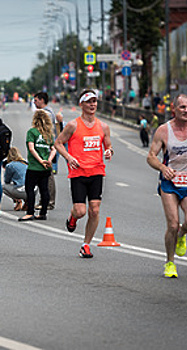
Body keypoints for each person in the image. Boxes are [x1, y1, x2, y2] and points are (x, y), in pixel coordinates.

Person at [147, 94, 187, 278]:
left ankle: (182, 234)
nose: (186, 111)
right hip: (169, 184)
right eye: (182, 107)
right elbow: (151, 156)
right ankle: (170, 263)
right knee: (172, 224)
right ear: (174, 109)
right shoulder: (163, 130)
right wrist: (162, 167)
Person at [54, 89, 114, 258]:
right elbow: (58, 143)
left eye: (94, 101)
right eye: (89, 102)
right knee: (80, 211)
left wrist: (109, 151)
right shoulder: (73, 125)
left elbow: (108, 146)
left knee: (94, 210)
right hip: (78, 172)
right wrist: (68, 157)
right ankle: (72, 218)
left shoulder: (103, 126)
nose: (92, 104)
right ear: (81, 104)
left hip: (96, 171)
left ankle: (86, 244)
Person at [19, 109, 56, 221]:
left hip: (34, 166)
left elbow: (31, 148)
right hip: (46, 168)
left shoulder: (32, 132)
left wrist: (40, 161)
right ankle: (43, 213)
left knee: (30, 189)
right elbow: (53, 149)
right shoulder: (48, 134)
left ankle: (30, 212)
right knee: (44, 190)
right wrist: (48, 160)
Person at [33, 91, 62, 211]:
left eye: (36, 100)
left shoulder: (45, 114)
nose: (34, 102)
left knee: (47, 175)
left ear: (41, 100)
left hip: (45, 147)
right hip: (48, 145)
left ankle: (48, 201)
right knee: (44, 175)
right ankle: (45, 200)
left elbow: (45, 131)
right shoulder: (50, 112)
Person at [3, 147, 28, 211]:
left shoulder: (10, 165)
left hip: (20, 190)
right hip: (33, 189)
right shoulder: (26, 163)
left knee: (2, 187)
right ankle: (28, 201)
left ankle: (17, 200)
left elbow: (7, 181)